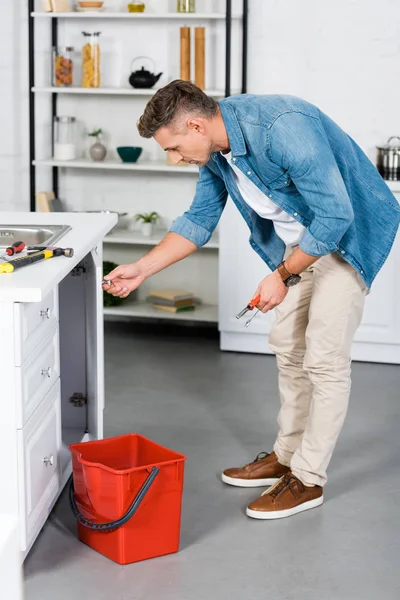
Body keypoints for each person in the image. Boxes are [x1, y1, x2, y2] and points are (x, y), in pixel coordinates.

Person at [104, 80, 400, 520]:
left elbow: (337, 215)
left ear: (195, 125)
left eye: (174, 147)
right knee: (288, 348)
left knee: (324, 359)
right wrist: (141, 269)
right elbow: (200, 219)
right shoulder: (217, 149)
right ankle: (285, 456)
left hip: (347, 238)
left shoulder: (282, 127)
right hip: (300, 244)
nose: (174, 158)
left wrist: (281, 274)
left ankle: (308, 478)